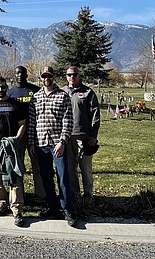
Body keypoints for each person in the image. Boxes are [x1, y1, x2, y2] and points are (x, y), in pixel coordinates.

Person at [27, 66, 76, 227]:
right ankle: (52, 206)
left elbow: (68, 121)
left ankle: (66, 208)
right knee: (46, 177)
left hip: (57, 144)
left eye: (49, 75)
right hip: (41, 144)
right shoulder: (36, 97)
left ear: (53, 77)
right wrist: (31, 143)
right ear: (41, 78)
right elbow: (32, 122)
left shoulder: (63, 96)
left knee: (63, 176)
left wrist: (62, 141)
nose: (46, 78)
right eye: (44, 76)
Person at [0, 76, 27, 227]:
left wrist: (15, 140)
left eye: (3, 87)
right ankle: (1, 204)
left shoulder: (16, 105)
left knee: (15, 177)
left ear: (7, 87)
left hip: (11, 147)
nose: (0, 90)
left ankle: (16, 209)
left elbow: (22, 124)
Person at [7, 65, 46, 205]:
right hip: (19, 134)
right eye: (17, 73)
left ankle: (41, 196)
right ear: (14, 75)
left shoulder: (35, 90)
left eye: (22, 73)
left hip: (35, 133)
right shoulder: (10, 93)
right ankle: (19, 196)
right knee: (18, 165)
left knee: (38, 166)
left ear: (26, 75)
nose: (20, 76)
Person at [63, 66, 101, 204]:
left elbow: (95, 115)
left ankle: (88, 194)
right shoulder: (62, 92)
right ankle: (75, 194)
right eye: (69, 75)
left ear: (80, 76)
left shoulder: (88, 92)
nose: (71, 77)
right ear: (66, 76)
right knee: (70, 168)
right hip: (67, 137)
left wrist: (93, 136)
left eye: (74, 75)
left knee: (85, 168)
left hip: (84, 137)